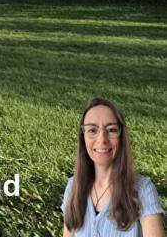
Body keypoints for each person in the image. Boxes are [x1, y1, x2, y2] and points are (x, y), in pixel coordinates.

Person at [62, 98, 164, 236]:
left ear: (122, 136)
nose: (102, 139)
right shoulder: (73, 186)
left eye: (111, 130)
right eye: (92, 130)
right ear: (83, 137)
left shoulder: (143, 189)